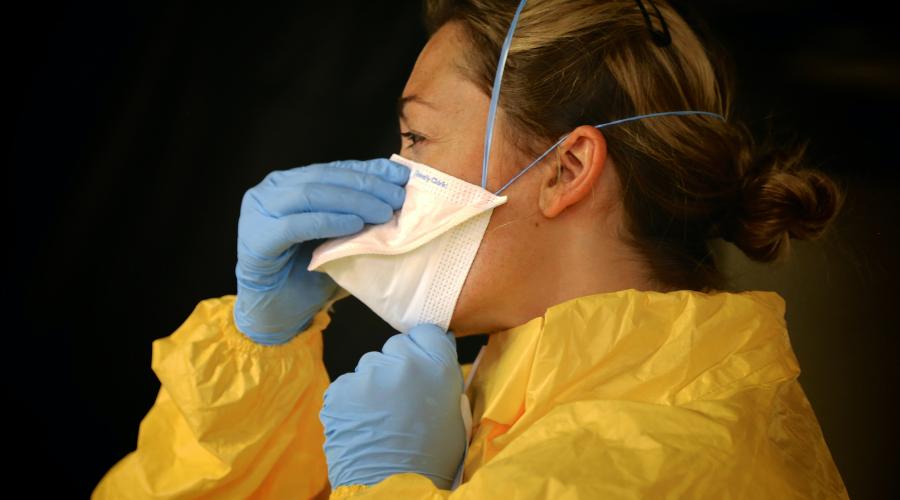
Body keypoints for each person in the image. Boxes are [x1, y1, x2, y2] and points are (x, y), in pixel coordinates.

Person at [92, 0, 849, 498]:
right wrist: (257, 352)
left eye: (417, 137)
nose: (394, 172)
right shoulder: (483, 406)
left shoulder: (679, 464)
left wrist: (389, 488)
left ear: (567, 170)